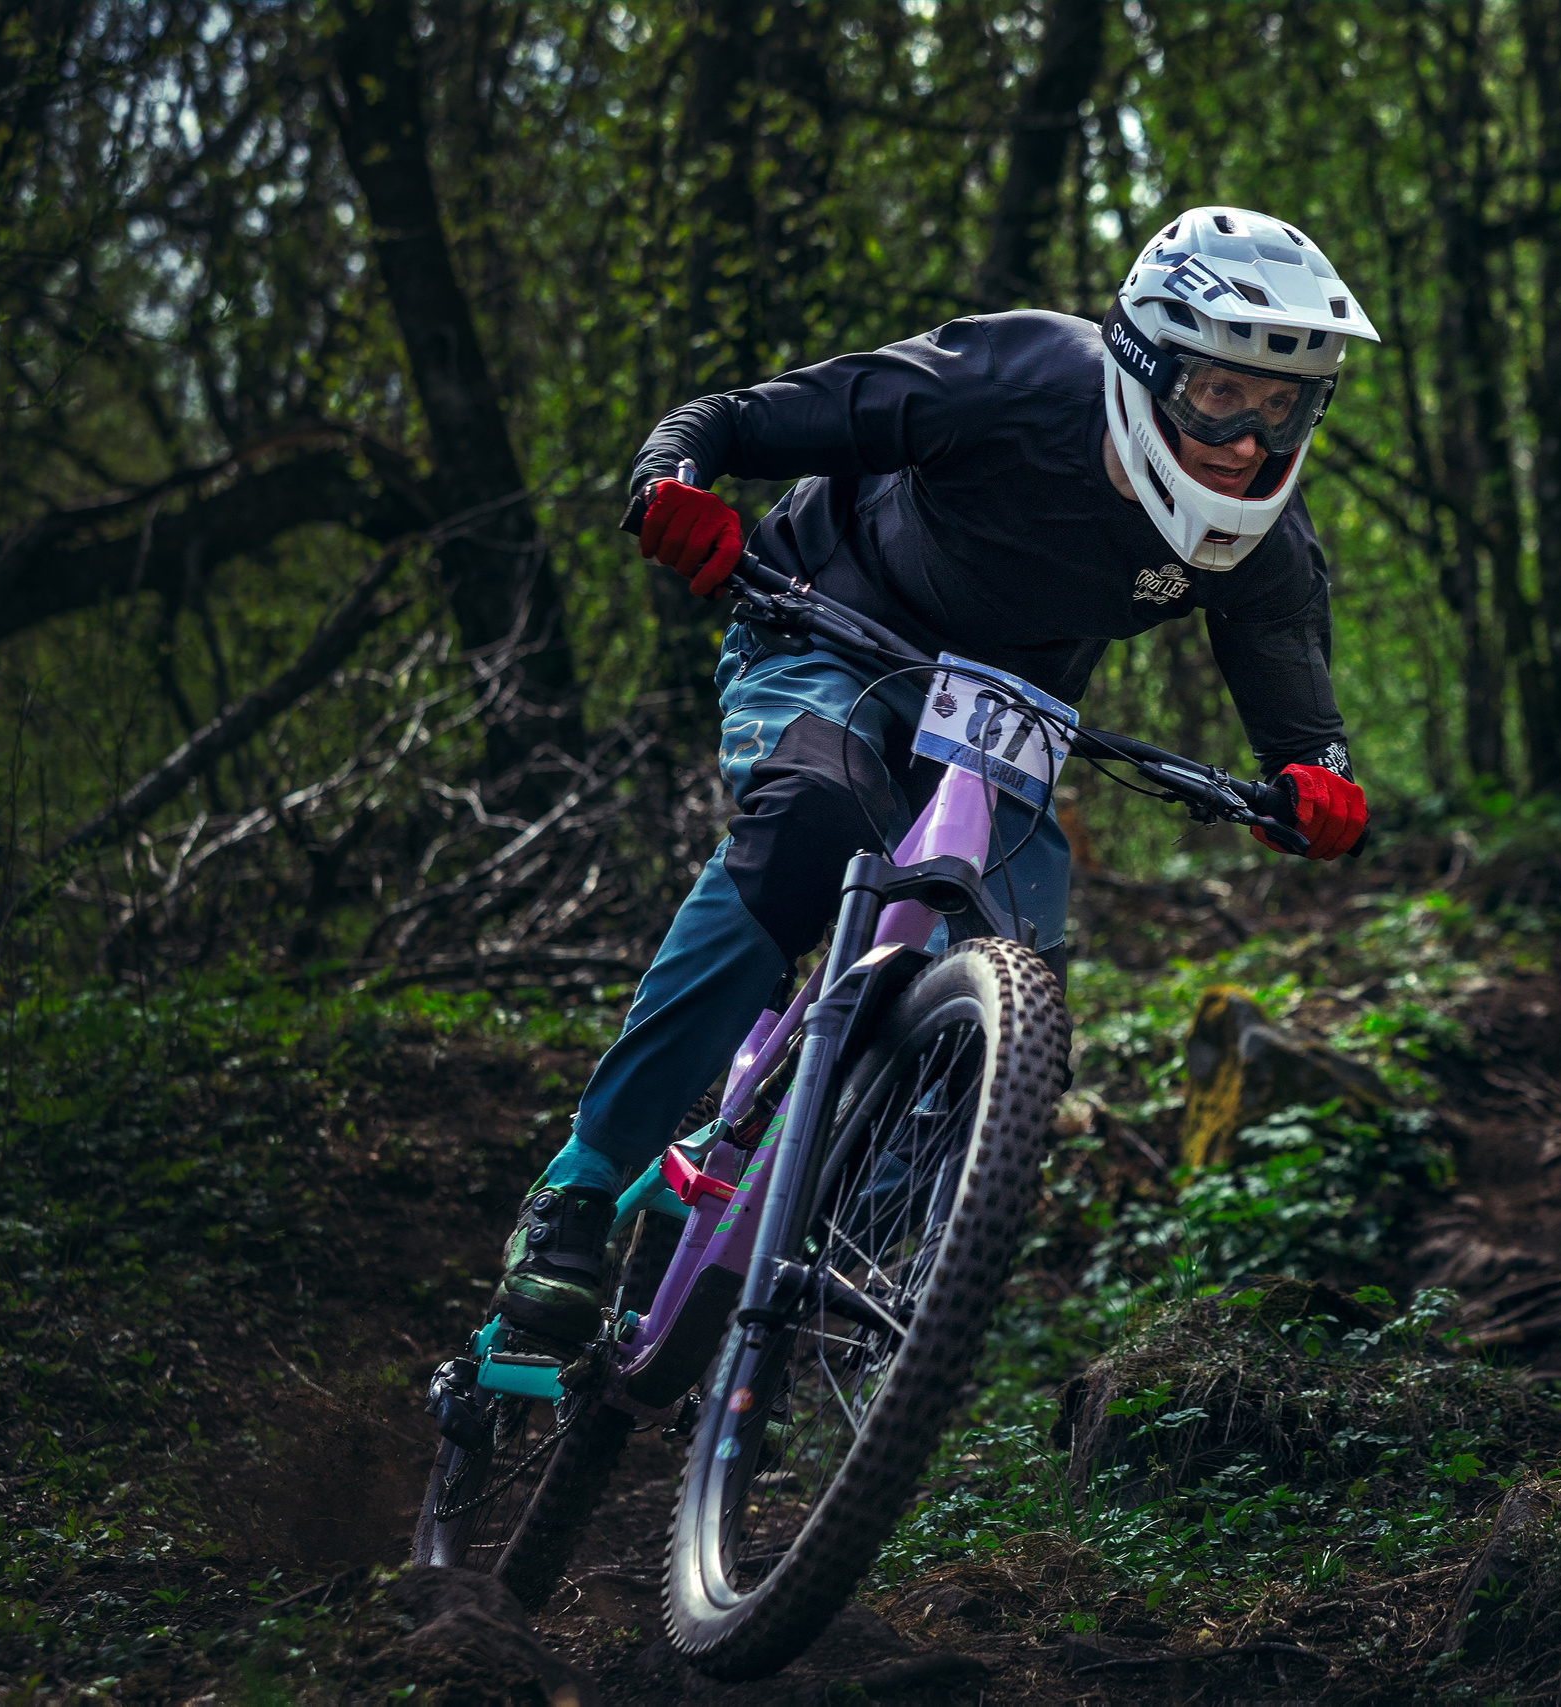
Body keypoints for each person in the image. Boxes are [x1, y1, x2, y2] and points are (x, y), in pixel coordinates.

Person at [493, 206, 1380, 1340]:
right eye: (1221, 393)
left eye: (1282, 405)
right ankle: (575, 1190)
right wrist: (673, 483)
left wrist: (1316, 789)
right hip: (826, 626)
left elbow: (1302, 730)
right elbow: (722, 421)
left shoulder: (1262, 537)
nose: (1250, 439)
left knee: (1022, 997)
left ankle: (826, 1255)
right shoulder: (1011, 376)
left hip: (1005, 716)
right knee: (816, 819)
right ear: (1150, 362)